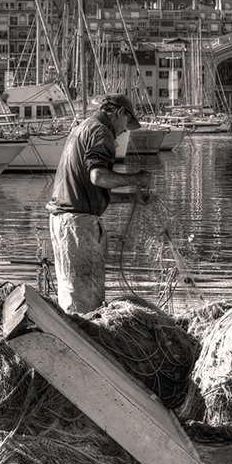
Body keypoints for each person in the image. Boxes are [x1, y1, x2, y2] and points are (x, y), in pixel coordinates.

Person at [46, 94, 153, 314]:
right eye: (127, 123)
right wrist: (137, 178)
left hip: (66, 220)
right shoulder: (101, 131)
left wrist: (132, 197)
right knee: (84, 303)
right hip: (77, 225)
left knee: (75, 293)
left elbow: (92, 190)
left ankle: (76, 340)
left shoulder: (85, 127)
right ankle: (81, 344)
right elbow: (98, 177)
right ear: (119, 112)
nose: (125, 130)